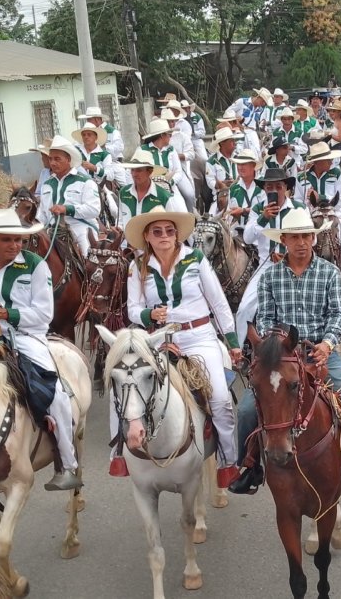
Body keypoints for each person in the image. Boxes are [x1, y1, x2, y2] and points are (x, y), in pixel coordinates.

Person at [228, 209, 341, 494]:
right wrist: (278, 346)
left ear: (313, 238)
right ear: (283, 240)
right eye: (294, 237)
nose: (301, 243)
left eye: (306, 236)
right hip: (281, 356)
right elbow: (266, 320)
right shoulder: (269, 277)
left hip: (320, 352)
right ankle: (250, 465)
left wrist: (328, 344)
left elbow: (337, 314)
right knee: (247, 410)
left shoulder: (330, 273)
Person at [0, 210, 82, 491]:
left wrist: (6, 313)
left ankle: (68, 464)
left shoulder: (36, 266)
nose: (15, 246)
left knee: (56, 395)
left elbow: (44, 315)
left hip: (28, 339)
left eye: (19, 240)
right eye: (8, 240)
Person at [122, 208, 240, 487]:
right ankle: (121, 452)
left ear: (177, 234)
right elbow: (132, 310)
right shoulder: (136, 266)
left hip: (199, 336)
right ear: (147, 237)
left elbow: (219, 303)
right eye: (157, 231)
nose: (165, 236)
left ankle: (229, 462)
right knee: (126, 386)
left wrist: (232, 343)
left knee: (221, 400)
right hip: (158, 340)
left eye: (170, 231)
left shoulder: (195, 259)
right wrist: (149, 316)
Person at [235, 168, 309, 340]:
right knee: (244, 308)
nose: (274, 191)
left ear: (286, 188)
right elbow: (247, 238)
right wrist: (263, 218)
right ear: (264, 190)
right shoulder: (258, 209)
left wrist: (290, 255)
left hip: (296, 266)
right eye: (269, 188)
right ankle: (240, 354)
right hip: (266, 266)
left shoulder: (298, 208)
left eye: (278, 186)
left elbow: (311, 241)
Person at [36, 137, 100, 257]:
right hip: (52, 230)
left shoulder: (85, 182)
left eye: (57, 159)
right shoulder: (46, 185)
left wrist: (67, 209)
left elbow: (94, 210)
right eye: (50, 159)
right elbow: (42, 216)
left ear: (68, 159)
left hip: (80, 228)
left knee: (88, 257)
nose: (53, 163)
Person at [117, 151, 185, 230]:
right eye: (132, 170)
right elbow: (120, 221)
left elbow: (172, 227)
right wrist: (118, 228)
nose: (134, 174)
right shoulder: (123, 192)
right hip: (126, 241)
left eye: (139, 170)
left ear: (150, 171)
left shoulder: (164, 197)